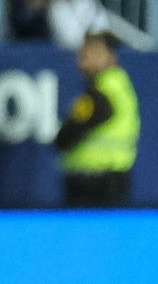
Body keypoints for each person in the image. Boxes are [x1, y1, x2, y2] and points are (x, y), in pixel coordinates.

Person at [54, 32, 140, 208]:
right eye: (83, 50)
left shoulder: (103, 92)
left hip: (96, 183)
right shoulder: (119, 84)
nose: (83, 55)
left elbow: (67, 136)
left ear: (110, 56)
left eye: (92, 51)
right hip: (110, 179)